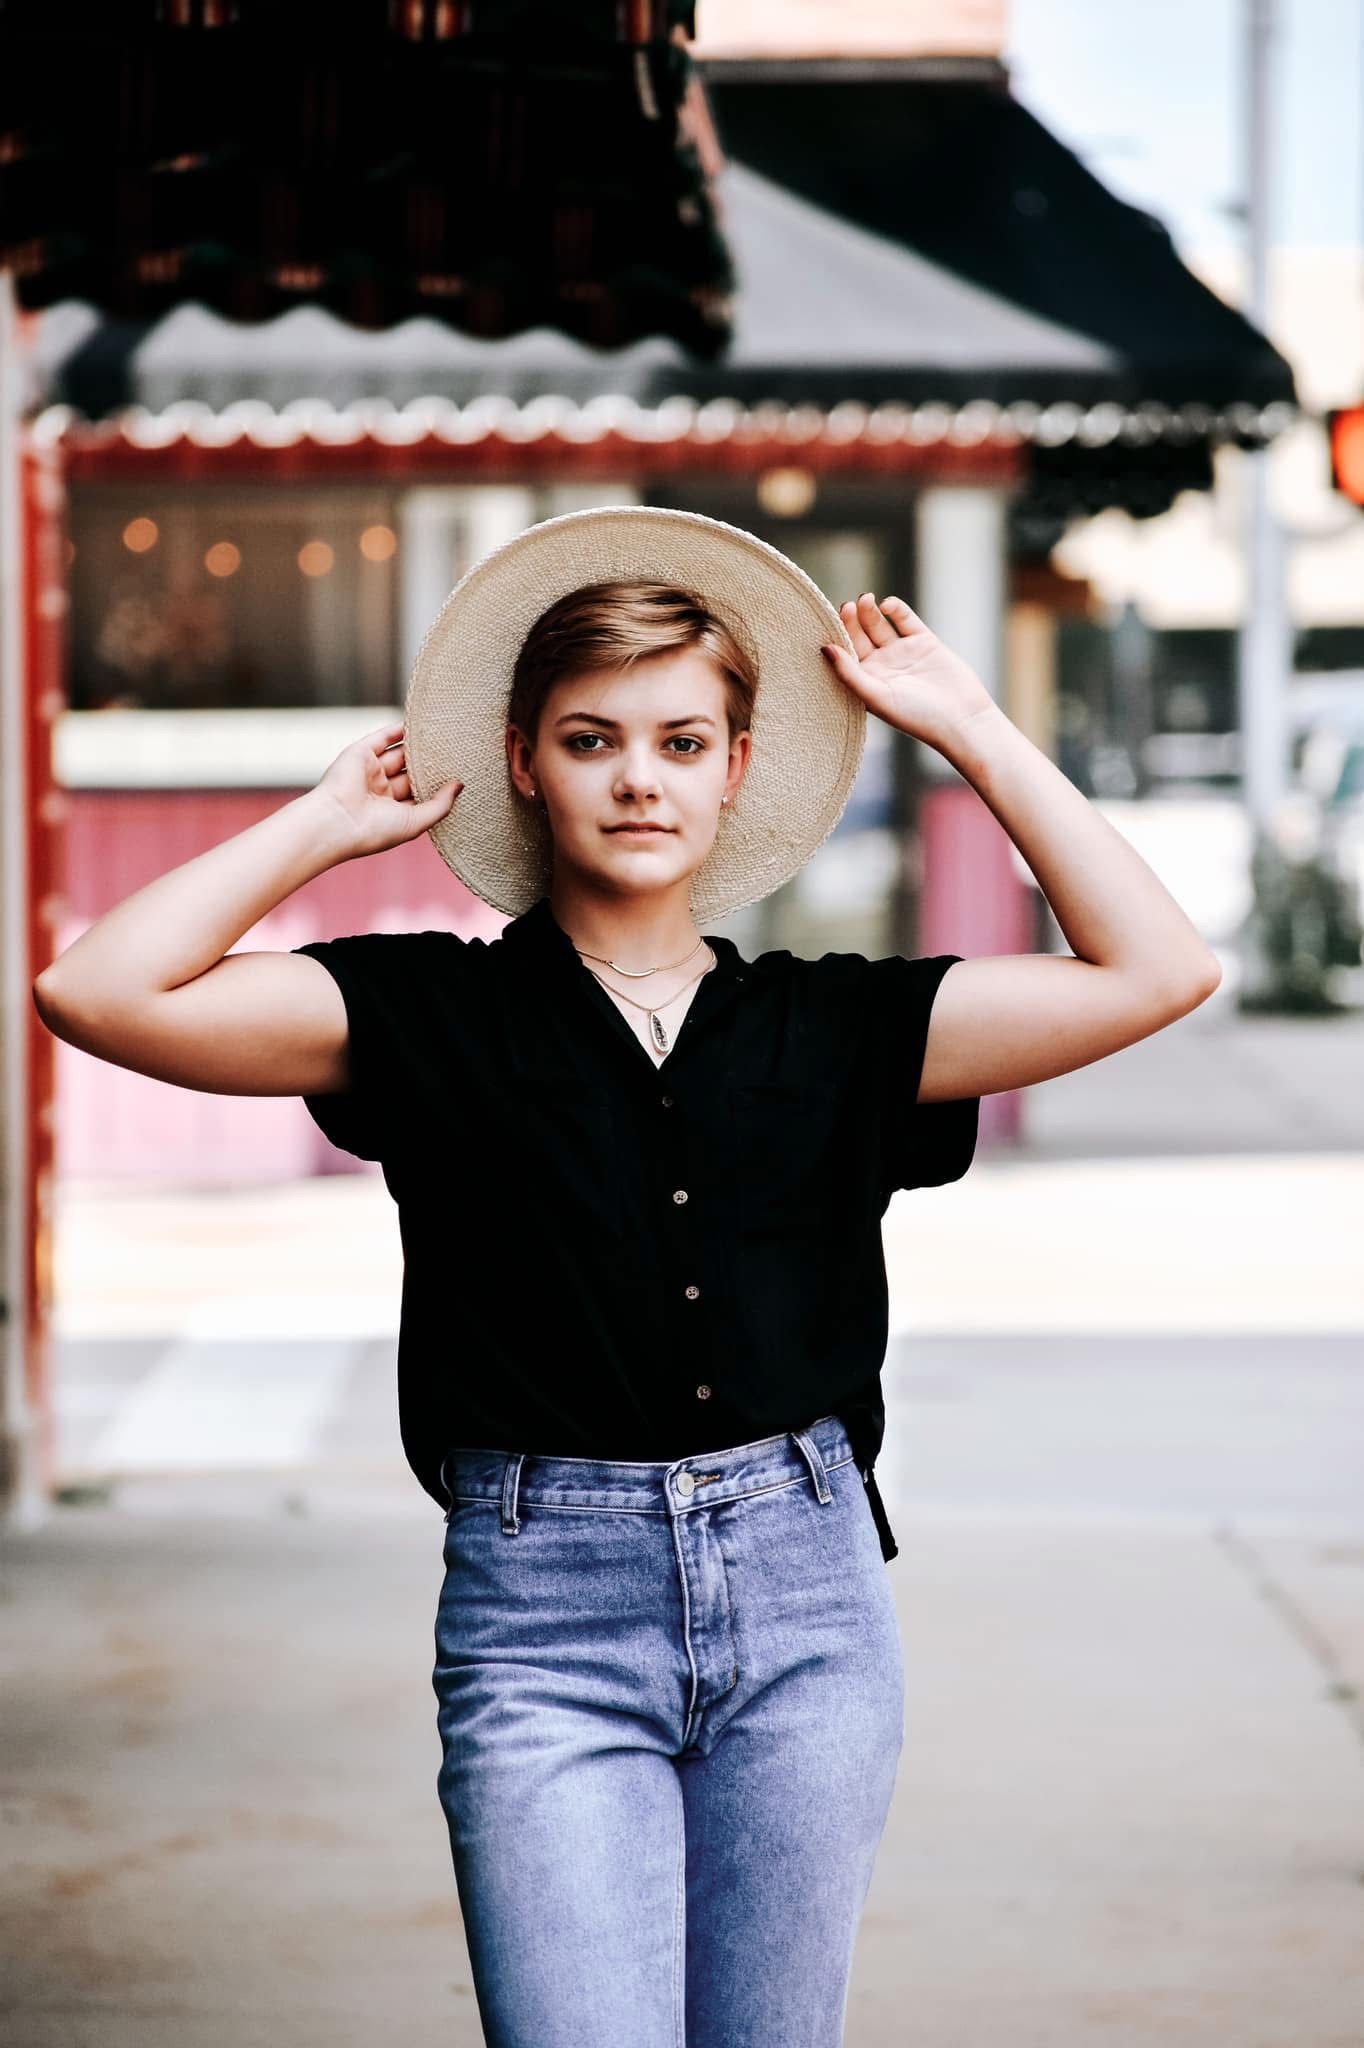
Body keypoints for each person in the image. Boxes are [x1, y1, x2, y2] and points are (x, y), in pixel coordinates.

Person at [33, 506, 1221, 2046]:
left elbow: (1160, 968)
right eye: (591, 739)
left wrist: (971, 727)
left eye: (681, 740)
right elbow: (91, 989)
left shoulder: (839, 1030)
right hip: (543, 1617)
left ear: (737, 769)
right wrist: (321, 824)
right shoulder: (422, 1015)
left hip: (808, 1605)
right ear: (525, 761)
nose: (639, 777)